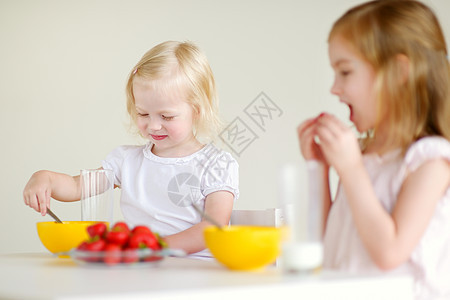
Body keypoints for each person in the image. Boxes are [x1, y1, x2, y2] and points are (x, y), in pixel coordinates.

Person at [23, 41, 239, 258]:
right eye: (143, 114)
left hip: (198, 275)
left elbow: (213, 228)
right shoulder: (126, 161)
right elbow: (77, 187)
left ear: (197, 110)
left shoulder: (216, 164)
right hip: (142, 270)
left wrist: (148, 246)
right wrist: (45, 179)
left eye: (166, 116)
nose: (153, 125)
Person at [297, 1, 450, 299]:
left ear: (397, 72)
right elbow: (325, 246)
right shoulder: (362, 156)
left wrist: (351, 170)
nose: (334, 88)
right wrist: (321, 169)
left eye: (345, 71)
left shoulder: (430, 161)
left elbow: (390, 252)